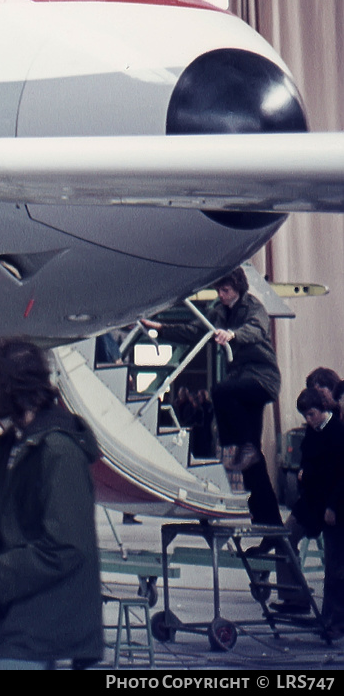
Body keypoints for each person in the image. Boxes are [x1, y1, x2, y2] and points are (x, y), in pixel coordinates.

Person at [0, 336, 103, 669]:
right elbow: (19, 523)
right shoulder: (14, 445)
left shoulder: (59, 453)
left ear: (8, 391)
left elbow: (67, 546)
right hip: (22, 618)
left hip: (44, 622)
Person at [146, 268, 281, 523]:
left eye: (226, 291)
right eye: (219, 290)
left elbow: (256, 329)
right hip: (241, 379)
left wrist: (233, 334)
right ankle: (269, 520)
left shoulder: (253, 307)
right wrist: (161, 329)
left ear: (238, 289)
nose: (222, 295)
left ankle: (235, 444)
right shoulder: (219, 311)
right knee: (252, 457)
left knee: (220, 392)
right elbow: (195, 331)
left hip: (261, 378)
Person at [274, 387, 344, 635]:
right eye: (305, 415)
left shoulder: (338, 432)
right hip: (312, 502)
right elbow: (306, 459)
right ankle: (295, 597)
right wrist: (303, 473)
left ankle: (334, 622)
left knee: (335, 567)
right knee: (284, 537)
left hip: (334, 505)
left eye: (312, 414)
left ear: (324, 409)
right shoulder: (313, 432)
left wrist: (333, 506)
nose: (308, 419)